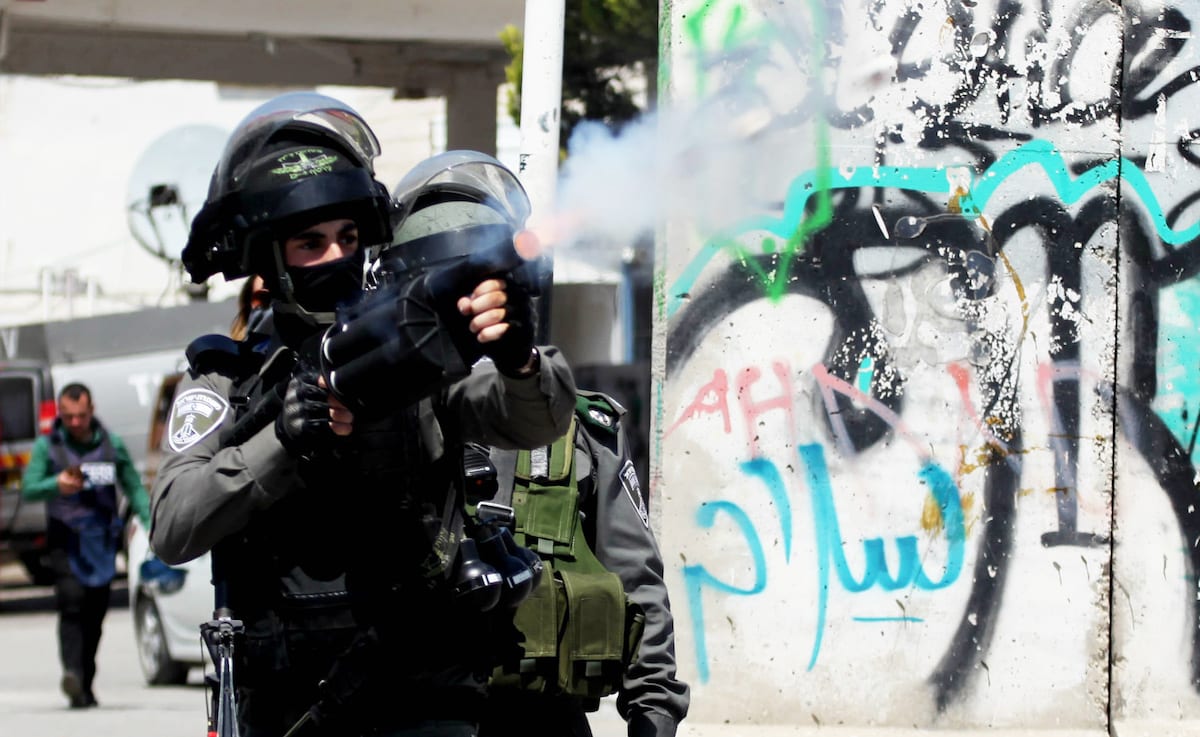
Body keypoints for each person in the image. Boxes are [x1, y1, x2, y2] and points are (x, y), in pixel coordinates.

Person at [150, 93, 575, 737]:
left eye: (348, 237)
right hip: (290, 706)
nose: (335, 257)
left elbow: (528, 420)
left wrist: (519, 360)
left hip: (424, 693)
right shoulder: (227, 378)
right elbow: (173, 525)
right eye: (310, 243)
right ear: (269, 255)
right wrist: (281, 441)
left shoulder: (407, 348)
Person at [479, 391, 690, 737]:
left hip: (537, 711)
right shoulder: (383, 417)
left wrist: (654, 709)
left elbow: (637, 578)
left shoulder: (579, 428)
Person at [21, 382, 152, 708]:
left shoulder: (112, 445)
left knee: (95, 614)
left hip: (102, 542)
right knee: (72, 604)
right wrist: (56, 484)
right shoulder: (46, 447)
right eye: (68, 417)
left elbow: (134, 488)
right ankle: (73, 673)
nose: (75, 422)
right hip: (65, 540)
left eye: (80, 416)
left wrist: (151, 526)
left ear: (91, 411)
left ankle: (85, 681)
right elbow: (29, 489)